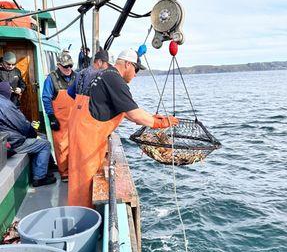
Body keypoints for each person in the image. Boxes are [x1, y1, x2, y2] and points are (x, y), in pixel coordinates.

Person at [68, 48, 178, 208]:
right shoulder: (114, 78)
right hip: (87, 139)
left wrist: (151, 118)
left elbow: (118, 108)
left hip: (82, 133)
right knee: (82, 184)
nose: (135, 74)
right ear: (127, 64)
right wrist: (160, 123)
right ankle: (81, 223)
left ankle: (80, 215)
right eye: (136, 69)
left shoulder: (102, 74)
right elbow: (134, 114)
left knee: (78, 177)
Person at [0, 81, 56, 187]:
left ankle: (48, 167)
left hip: (6, 140)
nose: (12, 92)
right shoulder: (6, 105)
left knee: (41, 137)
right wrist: (33, 133)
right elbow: (22, 125)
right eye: (10, 90)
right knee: (45, 144)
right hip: (10, 144)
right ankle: (39, 177)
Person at [42, 52, 76, 181]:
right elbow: (46, 98)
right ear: (58, 65)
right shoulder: (51, 78)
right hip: (60, 120)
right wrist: (51, 117)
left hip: (75, 119)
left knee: (77, 146)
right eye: (65, 66)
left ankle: (75, 170)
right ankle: (65, 173)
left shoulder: (77, 76)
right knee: (61, 147)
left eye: (70, 66)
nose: (68, 69)